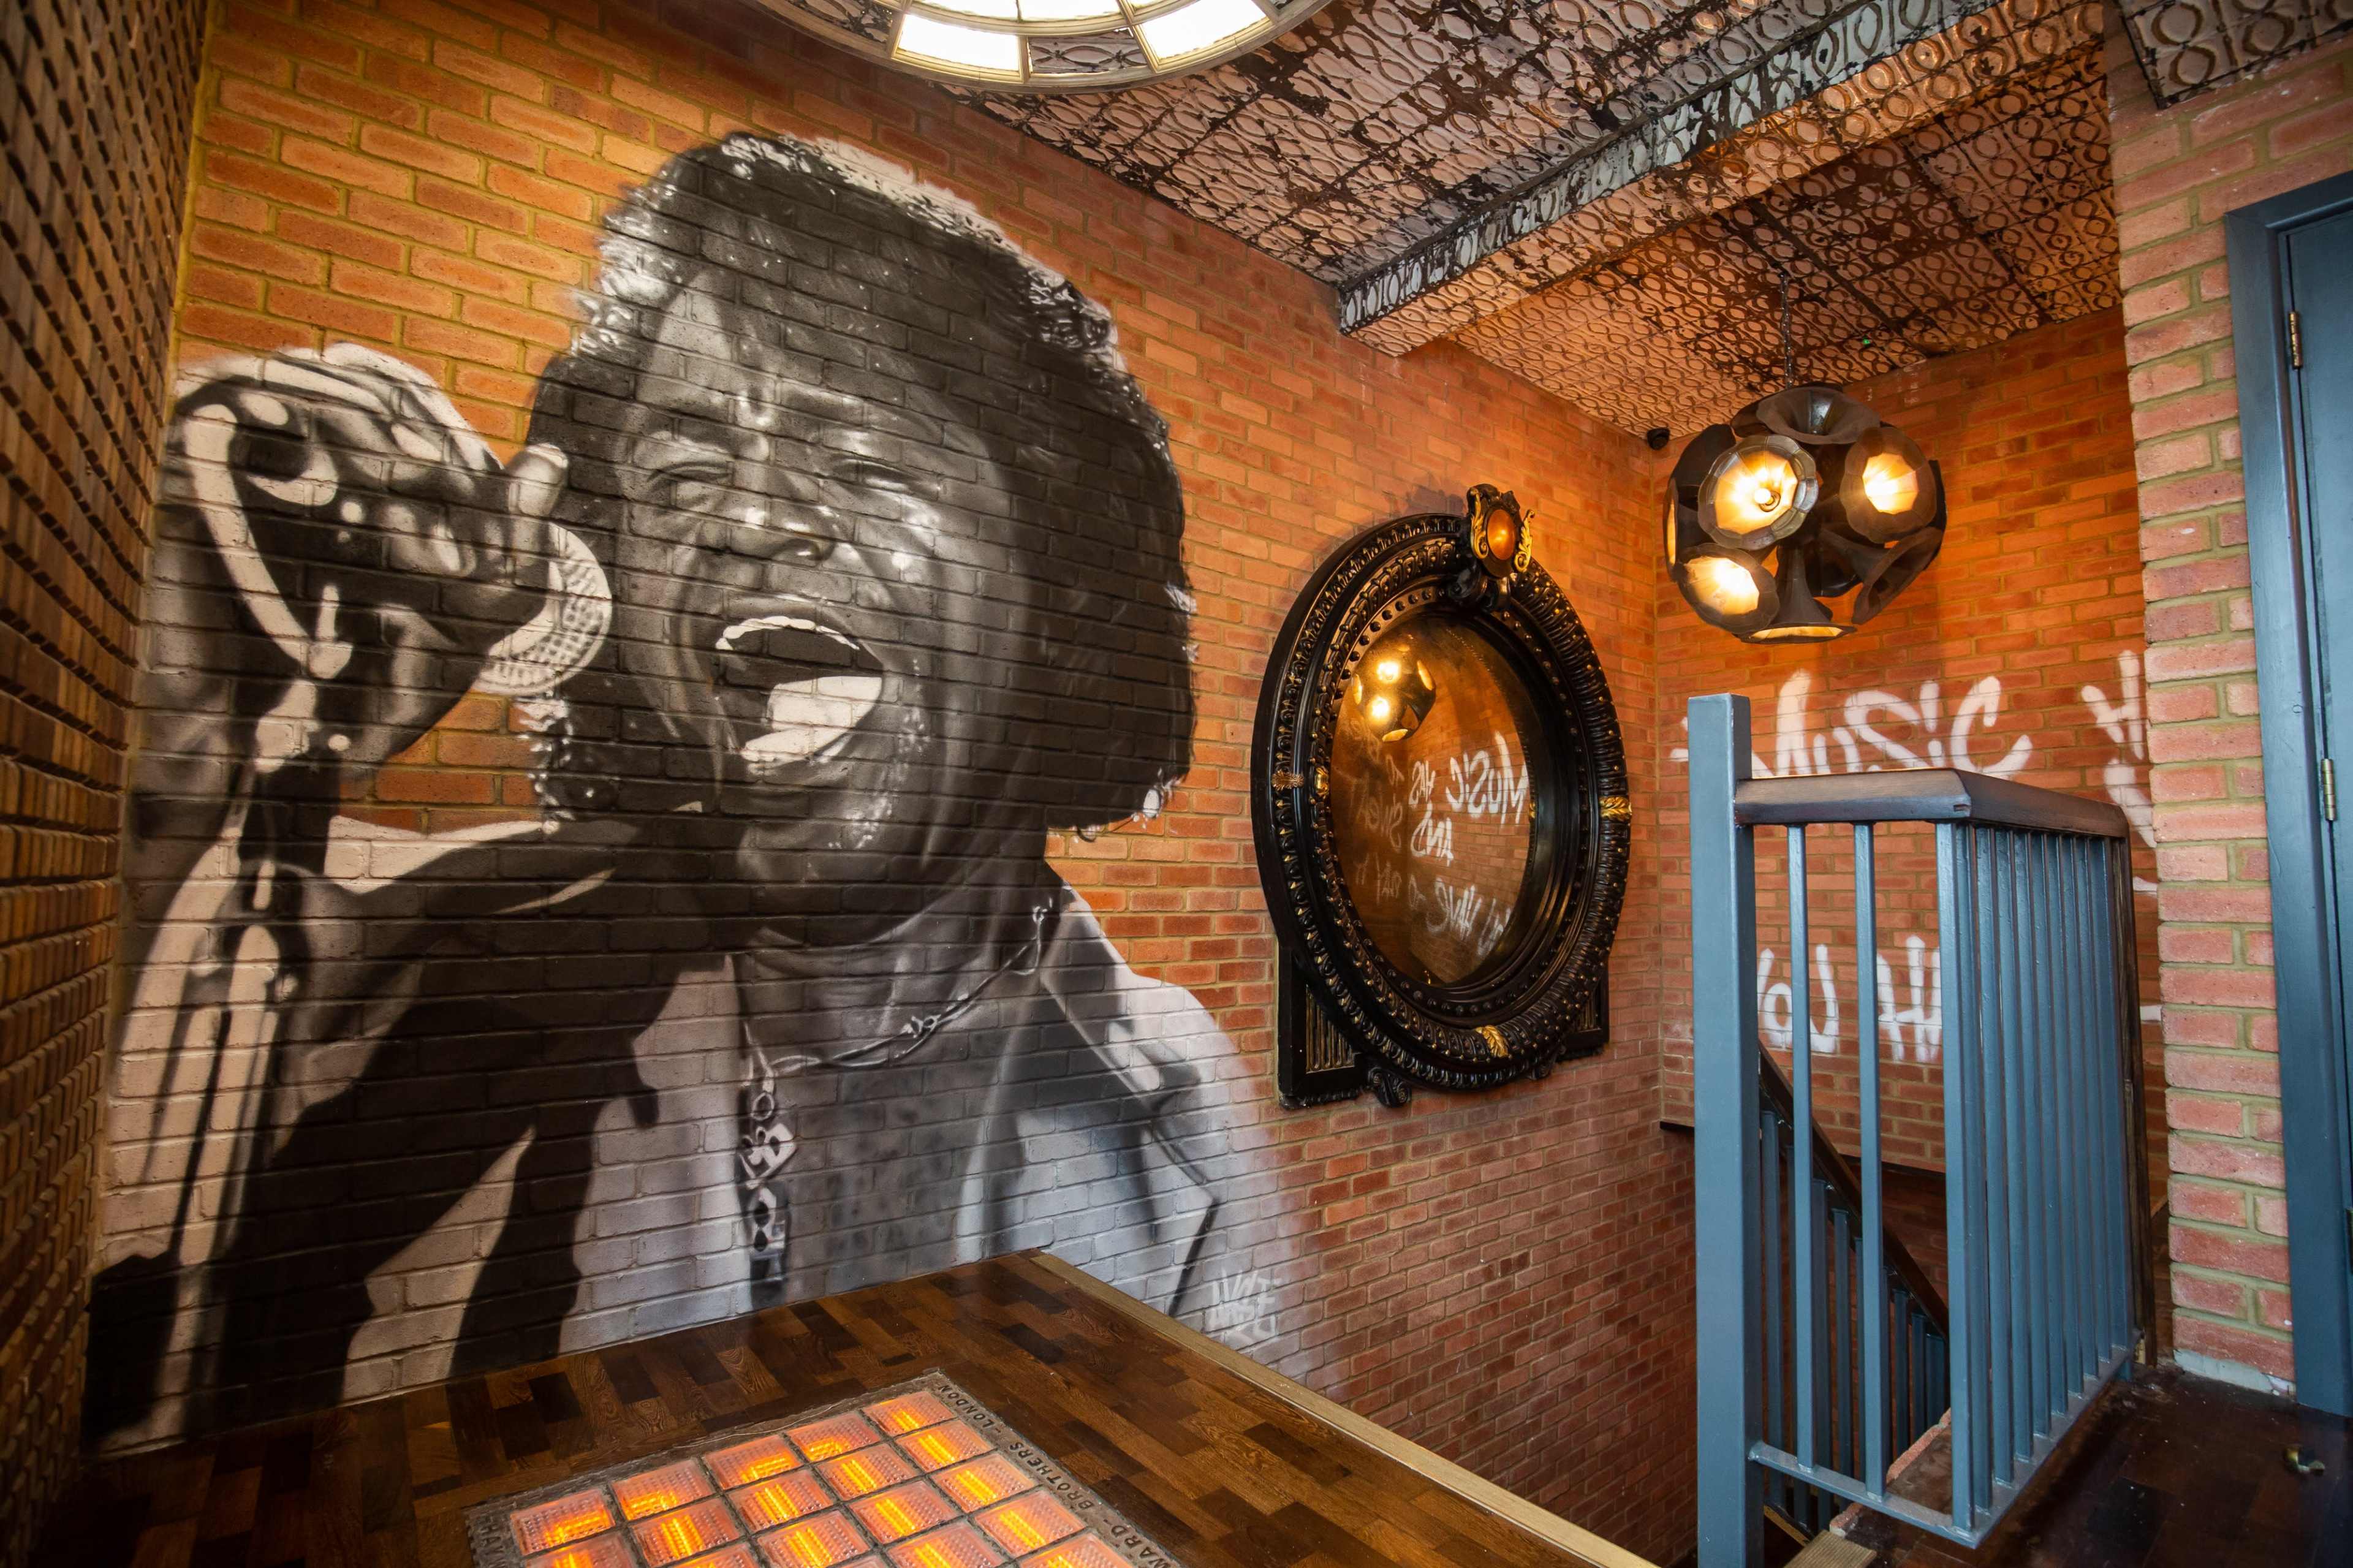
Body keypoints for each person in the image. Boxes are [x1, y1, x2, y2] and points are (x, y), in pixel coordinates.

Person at [90, 133, 1270, 1444]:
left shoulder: (1168, 1109)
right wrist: (199, 754)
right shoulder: (400, 955)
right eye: (683, 472)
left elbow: (1240, 1482)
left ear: (1059, 603)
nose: (746, 521)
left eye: (866, 462)